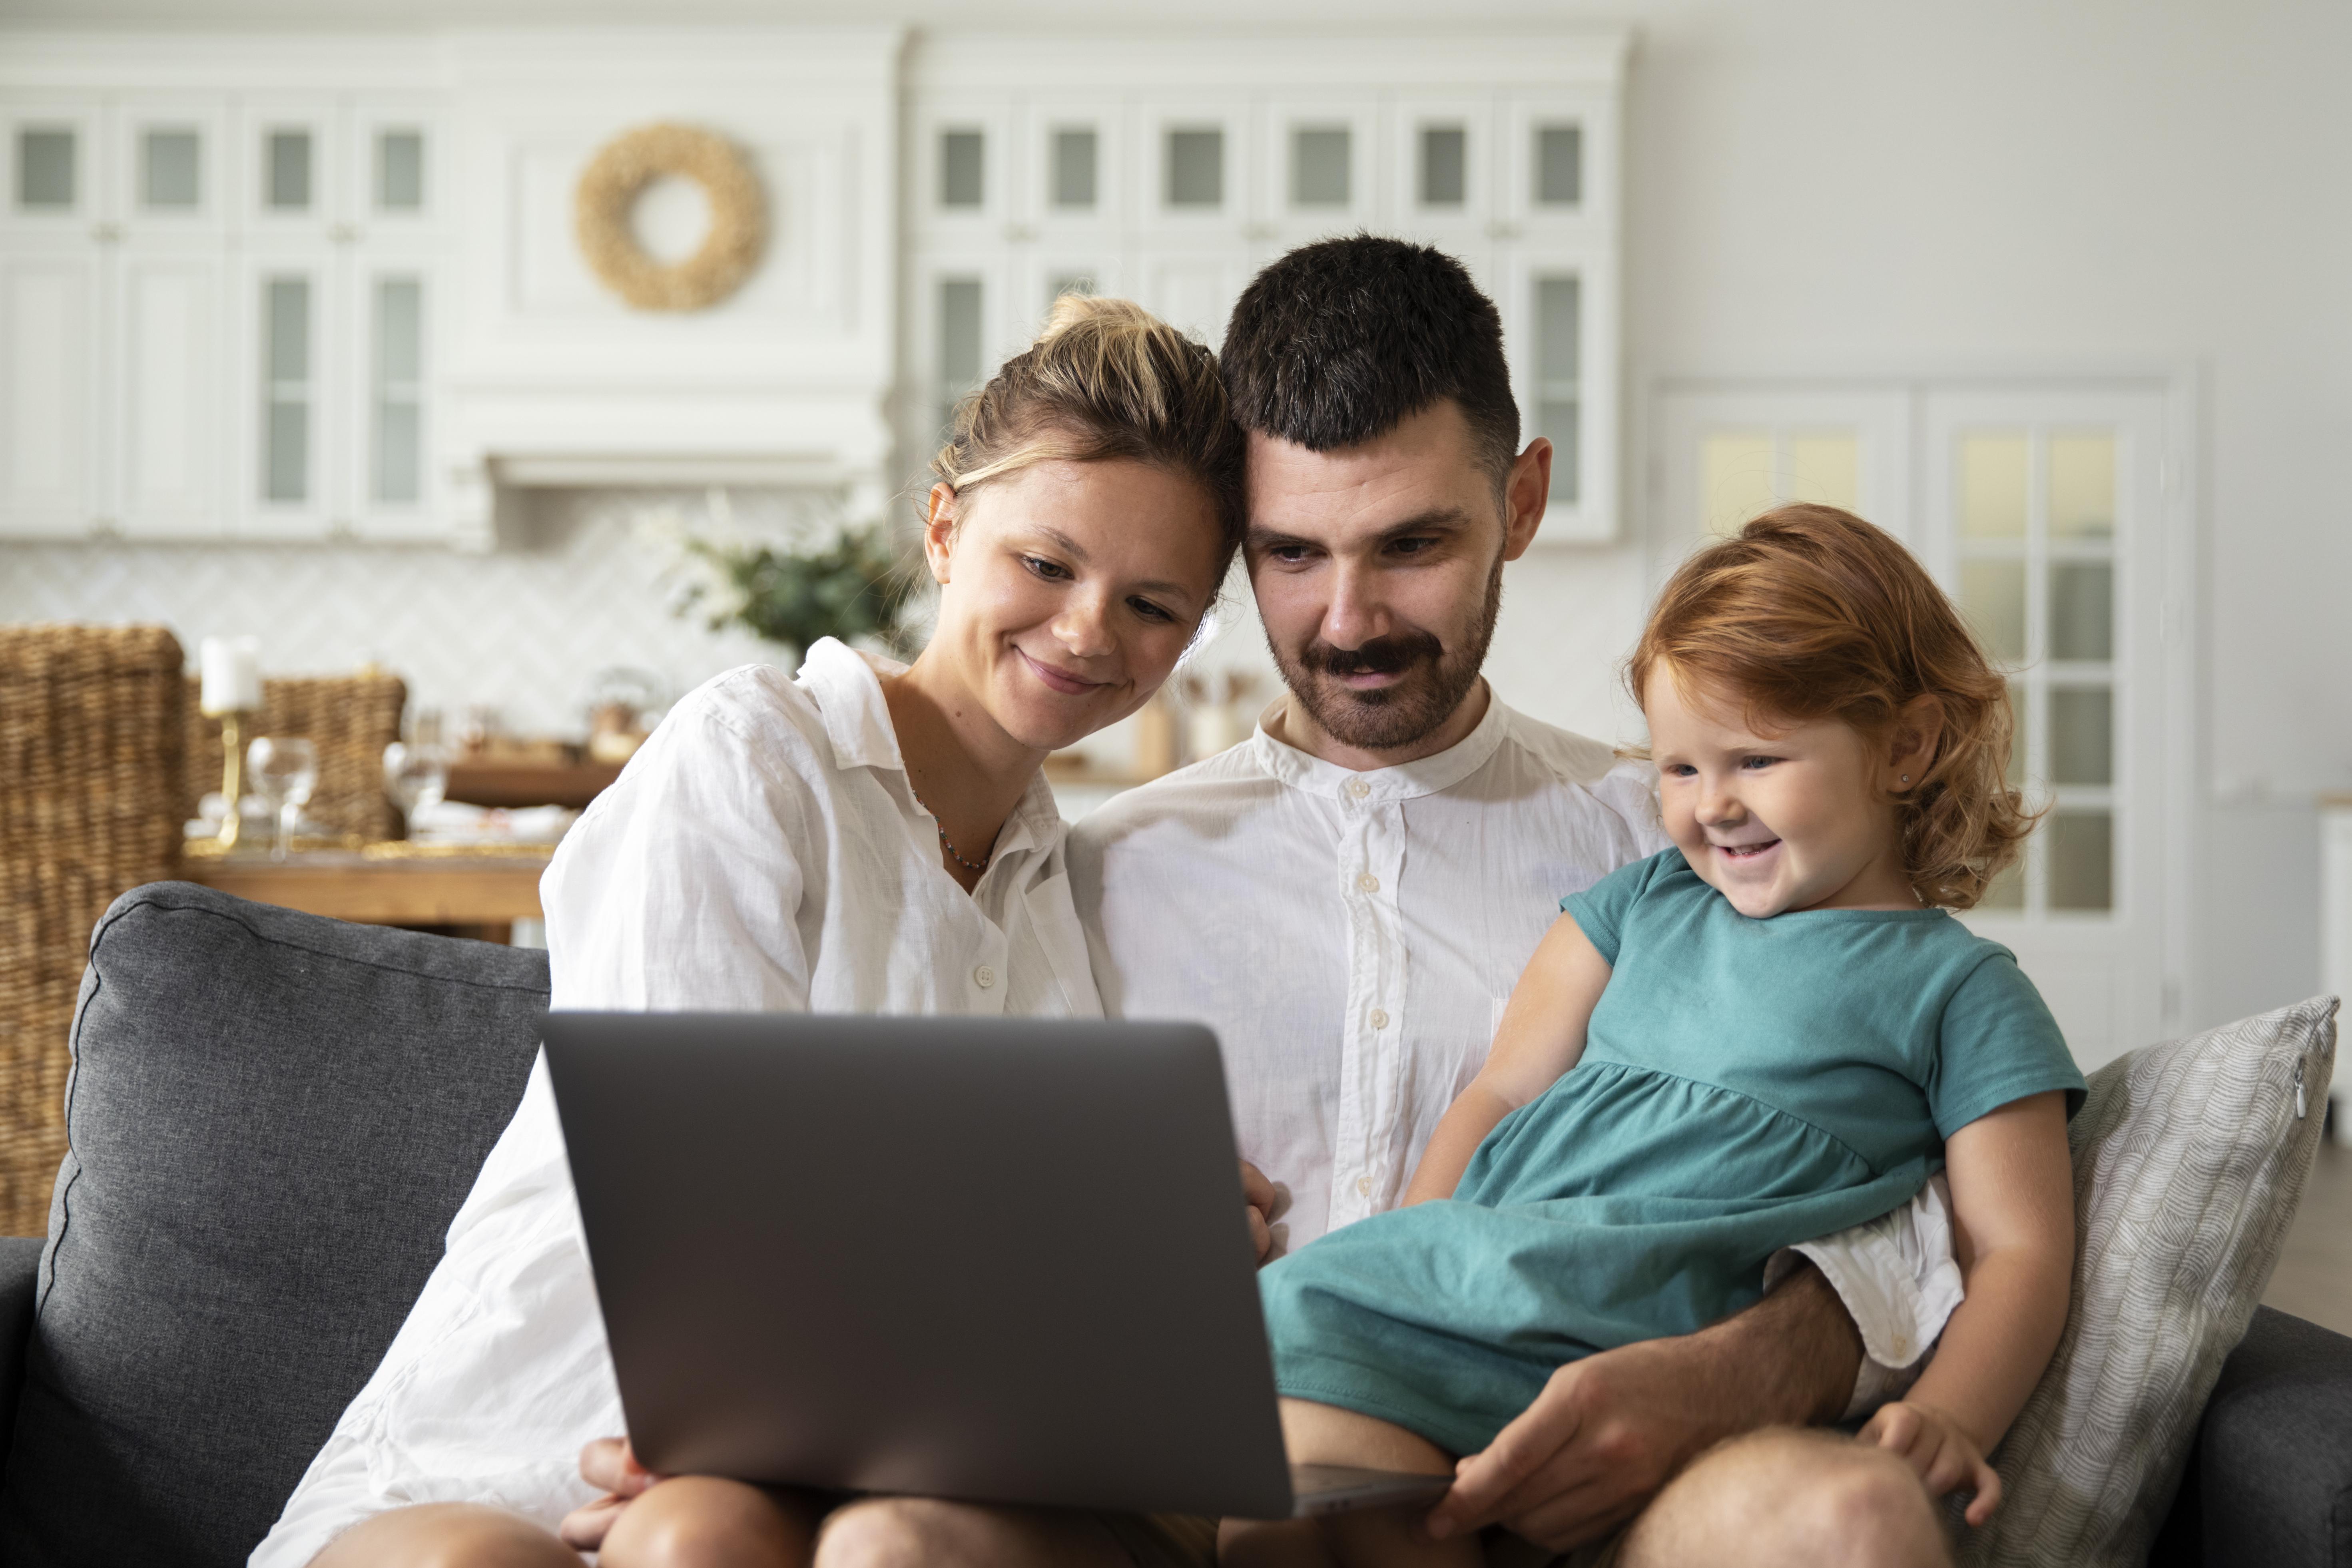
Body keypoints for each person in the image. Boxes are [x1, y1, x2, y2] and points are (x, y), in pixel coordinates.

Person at [254, 294, 1250, 1568]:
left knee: (706, 1534)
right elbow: (702, 1215)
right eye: (1046, 565)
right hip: (538, 1418)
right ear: (945, 528)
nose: (1086, 631)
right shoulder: (755, 757)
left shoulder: (1070, 888)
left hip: (803, 1473)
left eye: (1153, 605)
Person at [1070, 237, 1992, 1566]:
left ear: (1523, 499)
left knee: (1844, 1525)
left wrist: (1731, 1371)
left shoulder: (1681, 848)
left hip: (1623, 1460)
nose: (1348, 620)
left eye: (1414, 544)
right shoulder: (1109, 868)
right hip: (1223, 1452)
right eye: (1289, 553)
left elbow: (1915, 1170)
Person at [1223, 506, 2085, 1568]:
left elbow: (2018, 1249)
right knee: (1289, 1506)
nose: (1711, 804)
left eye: (1756, 759)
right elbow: (1499, 1091)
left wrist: (1955, 1413)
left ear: (1904, 746)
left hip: (1677, 1360)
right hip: (1485, 1294)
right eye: (1679, 768)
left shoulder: (1961, 988)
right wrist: (1414, 1255)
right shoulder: (1642, 902)